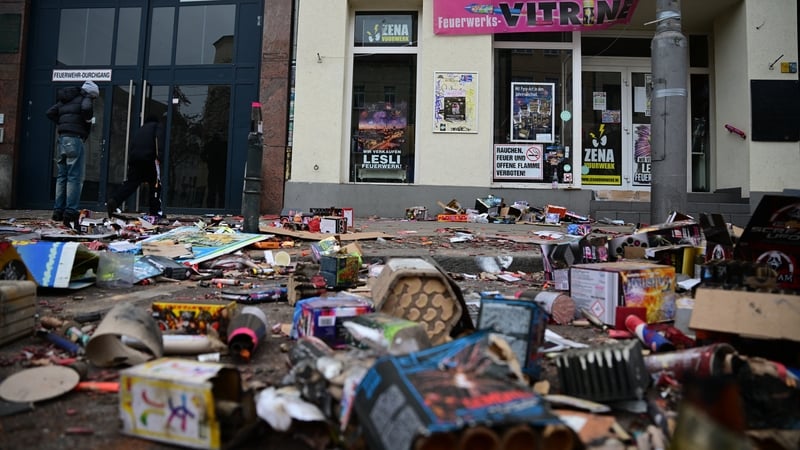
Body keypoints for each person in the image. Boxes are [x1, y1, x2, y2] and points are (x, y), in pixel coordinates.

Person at [46, 80, 98, 229]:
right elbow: (87, 108)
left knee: (62, 176)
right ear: (91, 93)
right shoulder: (86, 97)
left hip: (62, 139)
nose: (93, 99)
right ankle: (70, 211)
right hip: (75, 139)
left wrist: (63, 124)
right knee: (75, 177)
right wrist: (87, 120)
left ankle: (58, 210)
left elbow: (50, 112)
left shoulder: (67, 98)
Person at [106, 114, 166, 220]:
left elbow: (133, 146)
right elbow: (159, 141)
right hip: (149, 159)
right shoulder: (157, 127)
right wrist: (159, 157)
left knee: (131, 183)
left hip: (135, 160)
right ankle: (155, 212)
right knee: (155, 185)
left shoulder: (140, 130)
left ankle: (115, 200)